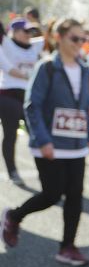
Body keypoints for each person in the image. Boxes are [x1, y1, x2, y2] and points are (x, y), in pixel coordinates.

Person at [1, 19, 89, 265]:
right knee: (51, 194)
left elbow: (85, 107)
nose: (79, 44)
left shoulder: (84, 69)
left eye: (82, 39)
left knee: (75, 195)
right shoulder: (46, 68)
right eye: (74, 38)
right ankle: (14, 216)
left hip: (76, 145)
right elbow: (32, 106)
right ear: (59, 38)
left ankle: (67, 247)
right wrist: (43, 140)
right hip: (50, 144)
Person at [0, 17, 45, 184]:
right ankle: (12, 171)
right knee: (11, 135)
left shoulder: (36, 45)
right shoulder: (5, 43)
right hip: (9, 95)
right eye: (25, 31)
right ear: (15, 32)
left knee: (38, 135)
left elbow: (53, 37)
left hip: (30, 97)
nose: (29, 34)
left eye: (30, 31)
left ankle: (45, 174)